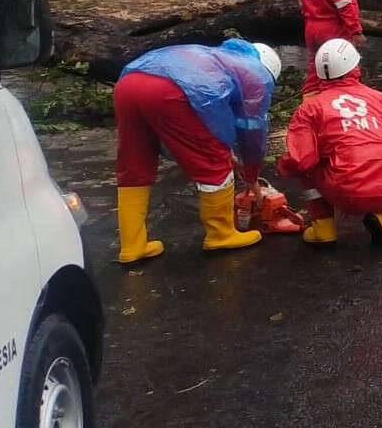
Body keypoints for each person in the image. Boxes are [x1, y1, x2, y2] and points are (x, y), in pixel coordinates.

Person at [113, 39, 282, 261]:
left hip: (128, 84)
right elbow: (252, 129)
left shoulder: (216, 57)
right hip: (171, 92)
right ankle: (221, 235)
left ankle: (132, 246)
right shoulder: (254, 73)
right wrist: (251, 174)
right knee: (212, 161)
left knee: (134, 162)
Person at [277, 38, 382, 247]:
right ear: (355, 65)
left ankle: (324, 229)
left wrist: (283, 167)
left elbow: (302, 160)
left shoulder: (309, 109)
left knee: (308, 171)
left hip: (343, 192)